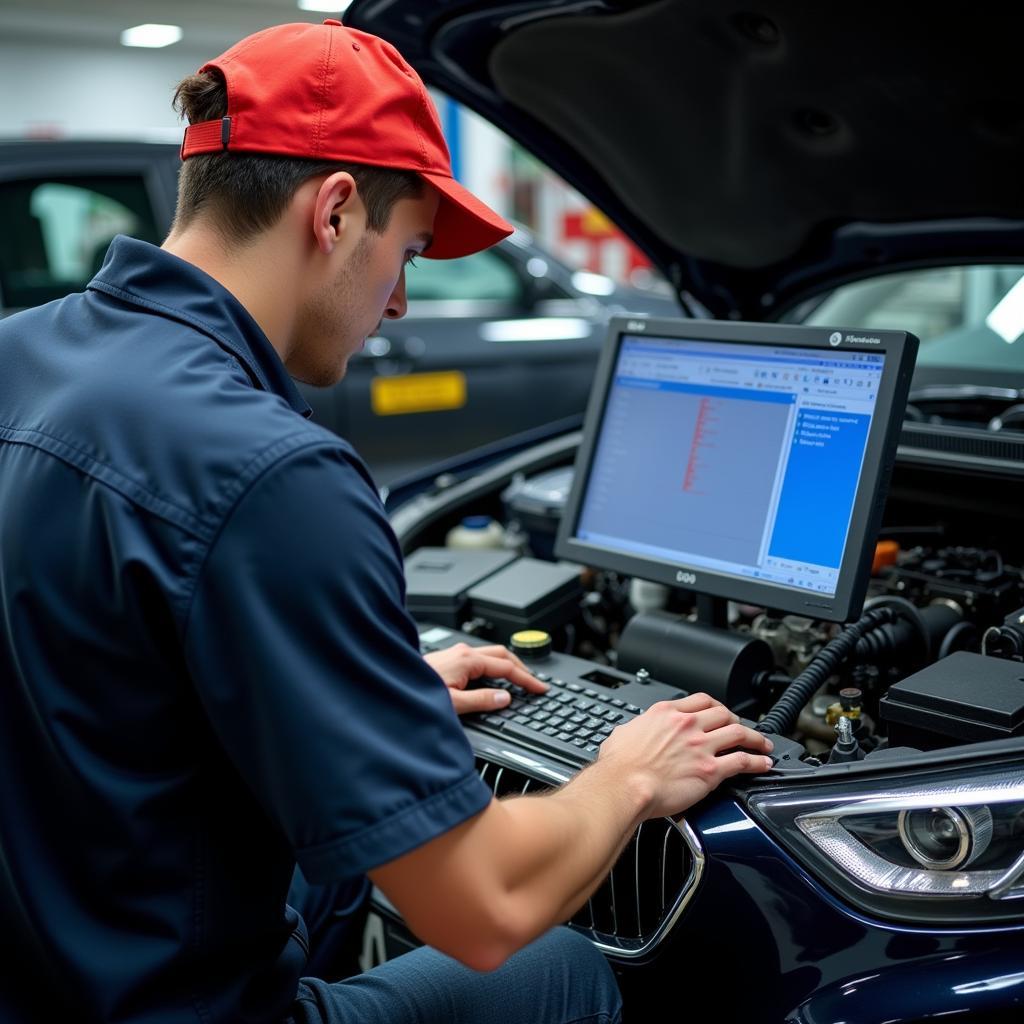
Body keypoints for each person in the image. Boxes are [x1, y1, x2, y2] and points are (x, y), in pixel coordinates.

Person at [0, 19, 774, 1024]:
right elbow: (482, 906)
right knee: (560, 969)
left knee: (335, 874)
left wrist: (369, 694)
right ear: (331, 213)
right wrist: (627, 774)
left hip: (45, 959)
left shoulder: (21, 353)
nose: (401, 303)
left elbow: (91, 651)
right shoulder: (272, 472)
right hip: (171, 1005)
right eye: (406, 251)